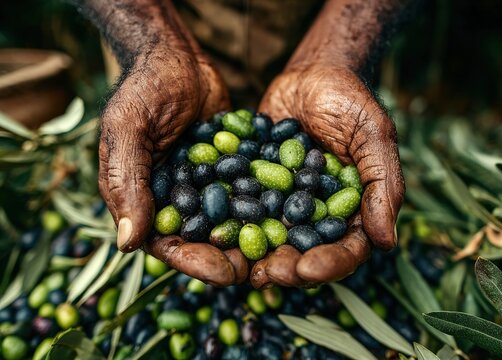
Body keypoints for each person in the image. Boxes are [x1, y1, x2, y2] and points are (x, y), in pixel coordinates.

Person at [73, 0, 406, 288]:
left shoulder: (281, 170)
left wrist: (338, 54)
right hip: (170, 53)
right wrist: (150, 46)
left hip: (324, 50)